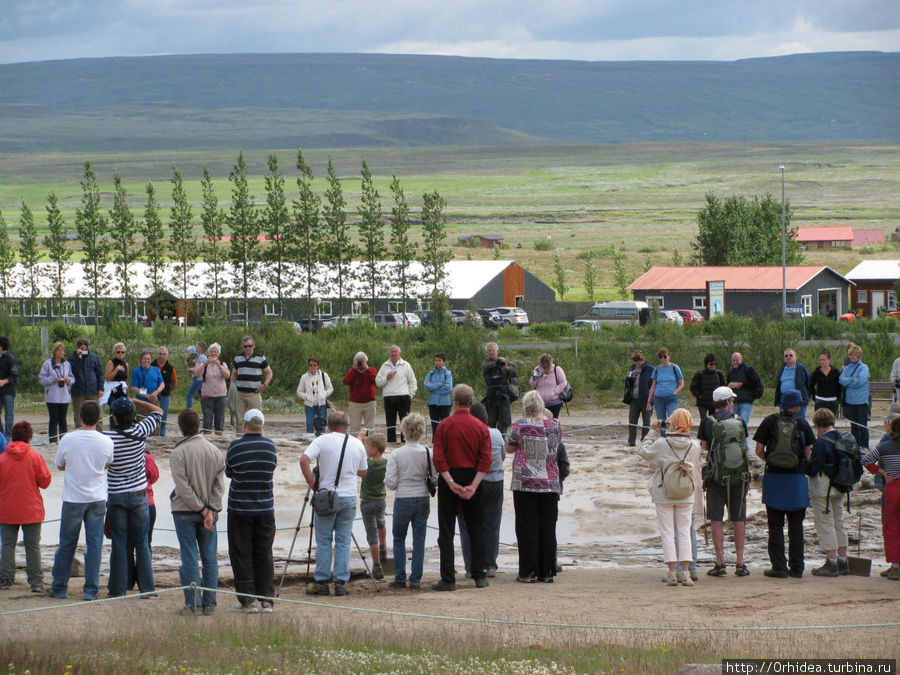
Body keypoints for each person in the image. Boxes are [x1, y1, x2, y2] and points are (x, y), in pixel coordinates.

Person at [46, 400, 114, 601]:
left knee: (67, 543)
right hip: (97, 497)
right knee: (94, 545)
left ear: (79, 417)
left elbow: (59, 465)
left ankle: (59, 586)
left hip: (74, 498)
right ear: (99, 419)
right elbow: (107, 464)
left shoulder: (68, 439)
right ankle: (90, 590)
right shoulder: (106, 441)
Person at [431, 384, 492, 591]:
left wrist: (450, 483)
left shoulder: (444, 425)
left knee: (446, 532)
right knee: (476, 529)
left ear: (454, 401)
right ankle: (479, 574)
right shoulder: (481, 427)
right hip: (474, 477)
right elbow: (486, 461)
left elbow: (438, 458)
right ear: (472, 402)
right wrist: (473, 486)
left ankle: (448, 578)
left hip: (450, 477)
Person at [300, 410, 367, 597]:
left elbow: (304, 460)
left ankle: (322, 582)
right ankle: (341, 582)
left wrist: (312, 483)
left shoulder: (321, 441)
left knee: (324, 540)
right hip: (348, 497)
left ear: (329, 426)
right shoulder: (356, 443)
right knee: (344, 540)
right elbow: (363, 472)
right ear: (347, 426)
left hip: (327, 496)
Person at [753, 390, 815, 578]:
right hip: (796, 480)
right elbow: (808, 452)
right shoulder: (803, 424)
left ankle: (779, 566)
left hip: (774, 479)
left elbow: (758, 450)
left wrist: (771, 462)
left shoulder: (769, 421)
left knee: (775, 525)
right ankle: (797, 568)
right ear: (796, 406)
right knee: (796, 526)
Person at [105, 396, 162, 597]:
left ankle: (117, 590)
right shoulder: (140, 430)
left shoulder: (107, 437)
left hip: (116, 495)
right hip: (139, 494)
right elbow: (158, 411)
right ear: (133, 416)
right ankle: (148, 590)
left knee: (119, 542)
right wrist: (135, 401)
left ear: (115, 418)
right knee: (142, 543)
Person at [170, 408, 226, 615]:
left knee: (190, 557)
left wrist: (204, 509)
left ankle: (193, 604)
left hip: (185, 512)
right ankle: (209, 603)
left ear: (181, 427)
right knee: (210, 557)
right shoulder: (214, 450)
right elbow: (219, 485)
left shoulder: (178, 453)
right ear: (199, 425)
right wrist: (210, 508)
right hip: (208, 512)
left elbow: (183, 488)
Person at [505, 390, 562, 583]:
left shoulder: (520, 424)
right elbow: (557, 447)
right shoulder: (555, 425)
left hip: (525, 483)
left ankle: (528, 571)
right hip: (549, 482)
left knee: (526, 527)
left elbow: (509, 447)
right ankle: (546, 571)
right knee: (547, 527)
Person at [639, 409, 700, 586]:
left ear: (671, 422)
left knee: (667, 532)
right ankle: (686, 573)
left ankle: (672, 572)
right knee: (684, 532)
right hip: (686, 492)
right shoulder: (694, 445)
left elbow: (643, 451)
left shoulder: (662, 443)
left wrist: (653, 430)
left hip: (664, 491)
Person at [226, 409, 278, 612]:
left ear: (244, 425)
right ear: (262, 426)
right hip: (265, 507)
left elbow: (229, 471)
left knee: (241, 553)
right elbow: (272, 468)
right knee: (264, 552)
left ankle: (248, 600)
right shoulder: (269, 446)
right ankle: (266, 599)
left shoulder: (235, 446)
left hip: (240, 507)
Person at [698, 386, 750, 577]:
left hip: (716, 477)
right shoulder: (740, 421)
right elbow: (744, 445)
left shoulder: (708, 422)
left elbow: (704, 447)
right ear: (728, 402)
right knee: (739, 519)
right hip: (738, 477)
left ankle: (720, 563)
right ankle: (740, 563)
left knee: (717, 520)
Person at [384, 413, 433, 589]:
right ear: (421, 432)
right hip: (422, 497)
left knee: (399, 538)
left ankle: (399, 577)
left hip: (403, 498)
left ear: (403, 430)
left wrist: (399, 482)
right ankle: (415, 580)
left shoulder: (397, 454)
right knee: (419, 539)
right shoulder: (428, 452)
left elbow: (390, 482)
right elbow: (434, 478)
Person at [0, 422, 51, 592]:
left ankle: (5, 579)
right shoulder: (35, 457)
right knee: (33, 545)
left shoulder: (2, 459)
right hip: (31, 509)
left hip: (7, 509)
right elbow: (45, 482)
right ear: (30, 437)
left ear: (12, 437)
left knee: (8, 545)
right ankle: (36, 582)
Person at [458, 402, 504, 578]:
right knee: (492, 524)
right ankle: (490, 563)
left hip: (475, 481)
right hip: (495, 482)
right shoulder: (496, 433)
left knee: (468, 525)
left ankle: (471, 566)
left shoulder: (471, 432)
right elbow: (502, 456)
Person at [806, 407, 850, 577]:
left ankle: (831, 562)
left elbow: (813, 468)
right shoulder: (843, 437)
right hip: (841, 486)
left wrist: (805, 461)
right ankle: (843, 561)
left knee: (825, 523)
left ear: (818, 425)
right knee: (839, 522)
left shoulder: (821, 442)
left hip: (823, 487)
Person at [861, 415, 900, 580]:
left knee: (891, 527)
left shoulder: (885, 446)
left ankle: (895, 566)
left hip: (892, 488)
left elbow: (866, 459)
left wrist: (882, 472)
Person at [127, 446, 159, 591]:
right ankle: (144, 581)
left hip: (126, 502)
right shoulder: (147, 457)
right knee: (145, 543)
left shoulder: (122, 453)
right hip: (147, 501)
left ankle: (128, 580)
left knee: (127, 544)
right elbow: (154, 476)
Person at [359, 431, 388, 580]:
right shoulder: (386, 463)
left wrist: (360, 437)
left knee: (371, 535)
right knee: (381, 522)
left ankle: (376, 566)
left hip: (367, 502)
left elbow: (358, 464)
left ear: (375, 449)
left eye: (368, 446)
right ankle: (383, 547)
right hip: (381, 500)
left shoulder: (367, 464)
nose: (365, 448)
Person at [375, 345, 417, 444]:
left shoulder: (406, 365)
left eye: (395, 352)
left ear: (399, 354)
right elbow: (378, 382)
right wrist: (386, 378)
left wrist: (410, 395)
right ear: (389, 353)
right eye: (392, 352)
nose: (393, 354)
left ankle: (405, 442)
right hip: (389, 397)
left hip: (403, 397)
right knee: (390, 422)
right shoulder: (385, 365)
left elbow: (413, 382)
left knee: (405, 422)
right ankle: (391, 442)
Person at [230, 336, 273, 425]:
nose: (247, 348)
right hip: (239, 394)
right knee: (239, 420)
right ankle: (240, 437)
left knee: (257, 418)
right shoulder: (238, 358)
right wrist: (232, 387)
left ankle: (258, 437)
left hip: (254, 393)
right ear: (243, 347)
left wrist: (264, 384)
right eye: (245, 346)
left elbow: (269, 372)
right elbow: (234, 373)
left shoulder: (260, 358)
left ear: (254, 346)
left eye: (250, 346)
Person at [726, 352, 763, 450]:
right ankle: (737, 447)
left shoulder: (748, 370)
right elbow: (728, 384)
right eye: (733, 360)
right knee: (735, 424)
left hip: (746, 400)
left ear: (741, 359)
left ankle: (745, 448)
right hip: (734, 400)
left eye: (737, 359)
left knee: (743, 424)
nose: (735, 362)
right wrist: (732, 385)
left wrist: (742, 384)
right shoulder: (730, 371)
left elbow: (755, 383)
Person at [39, 341, 74, 444]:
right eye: (59, 350)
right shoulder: (47, 364)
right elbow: (41, 379)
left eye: (62, 351)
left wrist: (68, 380)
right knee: (53, 419)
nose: (61, 353)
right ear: (54, 352)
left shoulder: (67, 364)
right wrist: (53, 379)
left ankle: (64, 440)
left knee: (63, 419)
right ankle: (53, 440)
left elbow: (73, 378)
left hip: (64, 396)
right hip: (52, 396)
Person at [68, 336, 104, 431]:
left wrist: (101, 388)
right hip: (78, 391)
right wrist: (79, 358)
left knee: (96, 413)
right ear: (77, 346)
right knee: (79, 414)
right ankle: (79, 433)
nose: (83, 346)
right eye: (80, 344)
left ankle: (99, 433)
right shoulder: (72, 358)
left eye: (85, 344)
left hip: (93, 390)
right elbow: (72, 372)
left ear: (87, 346)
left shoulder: (94, 357)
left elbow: (100, 374)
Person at [481, 342, 518, 433]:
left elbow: (516, 373)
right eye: (489, 351)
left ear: (497, 351)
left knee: (503, 422)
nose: (491, 353)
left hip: (503, 395)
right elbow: (485, 368)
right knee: (490, 421)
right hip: (491, 396)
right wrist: (496, 363)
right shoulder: (486, 363)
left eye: (493, 350)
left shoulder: (505, 362)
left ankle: (502, 441)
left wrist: (506, 367)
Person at [839, 343, 870, 450]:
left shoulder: (863, 368)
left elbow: (860, 381)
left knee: (862, 425)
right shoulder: (847, 368)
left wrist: (848, 380)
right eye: (850, 355)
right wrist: (852, 379)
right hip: (850, 402)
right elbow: (841, 380)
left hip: (861, 402)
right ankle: (855, 445)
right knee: (854, 426)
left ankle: (864, 445)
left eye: (854, 355)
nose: (852, 357)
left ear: (859, 356)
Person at [646, 348, 684, 428]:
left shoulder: (675, 367)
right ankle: (663, 438)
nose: (663, 359)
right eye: (661, 357)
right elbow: (653, 386)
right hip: (658, 398)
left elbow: (681, 383)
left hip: (671, 398)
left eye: (664, 356)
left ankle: (671, 438)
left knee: (672, 420)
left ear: (669, 356)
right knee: (661, 421)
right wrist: (649, 401)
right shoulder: (656, 369)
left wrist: (676, 391)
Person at [296, 357, 334, 435]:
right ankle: (310, 443)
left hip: (321, 404)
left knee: (321, 426)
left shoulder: (324, 375)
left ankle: (321, 442)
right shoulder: (304, 377)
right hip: (309, 405)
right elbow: (299, 391)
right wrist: (306, 396)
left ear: (318, 366)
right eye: (310, 365)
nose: (312, 367)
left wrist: (324, 394)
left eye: (315, 365)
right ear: (308, 366)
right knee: (309, 425)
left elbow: (330, 388)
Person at [198, 343, 229, 434]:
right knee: (207, 420)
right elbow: (197, 374)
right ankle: (207, 437)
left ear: (218, 354)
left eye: (216, 352)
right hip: (207, 396)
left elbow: (227, 375)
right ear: (209, 353)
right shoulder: (205, 365)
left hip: (221, 396)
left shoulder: (223, 363)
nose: (214, 354)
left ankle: (219, 437)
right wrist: (204, 364)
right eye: (212, 352)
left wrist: (219, 366)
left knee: (219, 420)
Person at [343, 352, 378, 434]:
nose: (360, 363)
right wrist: (354, 370)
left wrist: (367, 369)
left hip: (370, 403)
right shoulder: (352, 371)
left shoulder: (371, 370)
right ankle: (355, 443)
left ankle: (370, 443)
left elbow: (375, 380)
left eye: (362, 361)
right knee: (354, 427)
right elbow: (345, 381)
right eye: (359, 361)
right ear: (355, 362)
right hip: (355, 404)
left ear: (366, 361)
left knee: (370, 426)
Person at [625, 351, 654, 447]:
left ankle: (645, 442)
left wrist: (651, 399)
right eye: (635, 360)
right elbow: (628, 383)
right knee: (632, 421)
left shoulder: (650, 369)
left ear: (643, 360)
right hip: (634, 398)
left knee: (646, 422)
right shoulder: (632, 368)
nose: (637, 362)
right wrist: (628, 376)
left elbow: (653, 384)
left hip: (646, 399)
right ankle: (631, 441)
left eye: (639, 360)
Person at [774, 348, 811, 421]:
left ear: (796, 357)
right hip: (784, 399)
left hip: (798, 400)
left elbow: (809, 382)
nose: (788, 357)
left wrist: (806, 396)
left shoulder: (801, 368)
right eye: (786, 356)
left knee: (800, 422)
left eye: (791, 355)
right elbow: (778, 384)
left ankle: (801, 433)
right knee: (784, 421)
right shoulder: (782, 369)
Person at [689, 353, 726, 425]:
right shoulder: (700, 374)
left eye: (715, 364)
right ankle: (703, 435)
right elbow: (693, 387)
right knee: (704, 420)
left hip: (714, 402)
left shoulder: (719, 374)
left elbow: (723, 386)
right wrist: (699, 396)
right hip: (702, 402)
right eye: (711, 364)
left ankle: (712, 435)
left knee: (713, 421)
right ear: (706, 364)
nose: (713, 366)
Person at [529, 353, 568, 419]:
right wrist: (534, 378)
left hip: (554, 402)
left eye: (547, 367)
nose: (545, 369)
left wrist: (555, 392)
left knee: (553, 422)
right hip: (540, 403)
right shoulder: (537, 369)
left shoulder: (557, 369)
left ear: (550, 364)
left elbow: (564, 382)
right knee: (540, 421)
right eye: (543, 367)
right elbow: (532, 385)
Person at [423, 353, 453, 435]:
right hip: (433, 402)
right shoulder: (431, 373)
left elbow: (448, 388)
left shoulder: (447, 373)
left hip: (445, 403)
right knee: (434, 426)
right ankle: (434, 441)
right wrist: (439, 385)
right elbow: (426, 386)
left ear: (444, 362)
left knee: (445, 425)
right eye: (436, 360)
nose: (437, 362)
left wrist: (433, 387)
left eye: (439, 360)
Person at [151, 347, 176, 437]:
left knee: (163, 417)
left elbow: (173, 383)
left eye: (164, 354)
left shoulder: (171, 368)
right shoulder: (151, 365)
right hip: (152, 395)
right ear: (157, 354)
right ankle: (153, 435)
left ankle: (162, 435)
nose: (162, 356)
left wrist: (166, 390)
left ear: (167, 356)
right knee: (153, 416)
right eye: (160, 354)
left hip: (165, 395)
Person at [810, 348, 842, 416]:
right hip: (820, 401)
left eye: (824, 359)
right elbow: (811, 385)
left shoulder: (835, 372)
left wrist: (838, 398)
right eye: (820, 360)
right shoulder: (816, 372)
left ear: (829, 359)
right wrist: (814, 396)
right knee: (820, 422)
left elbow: (839, 386)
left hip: (832, 401)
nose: (822, 362)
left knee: (831, 422)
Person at [0, 336, 18, 440]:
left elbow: (14, 376)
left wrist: (4, 381)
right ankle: (1, 433)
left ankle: (8, 435)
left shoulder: (11, 359)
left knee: (9, 414)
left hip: (8, 391)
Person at [185, 341, 207, 409]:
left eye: (198, 347)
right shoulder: (202, 356)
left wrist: (190, 369)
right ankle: (206, 412)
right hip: (200, 379)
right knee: (202, 397)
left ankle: (189, 413)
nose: (196, 348)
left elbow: (198, 368)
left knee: (189, 395)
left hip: (198, 379)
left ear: (202, 348)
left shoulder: (201, 357)